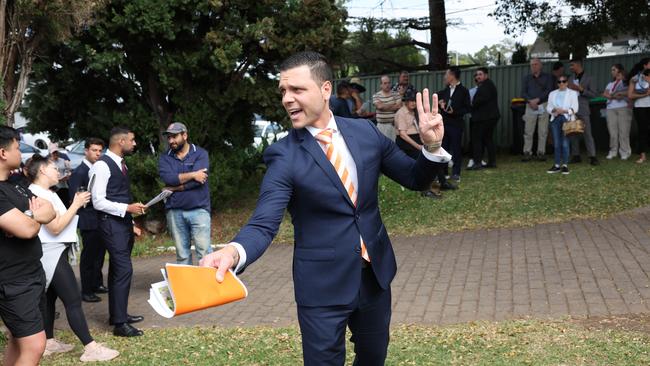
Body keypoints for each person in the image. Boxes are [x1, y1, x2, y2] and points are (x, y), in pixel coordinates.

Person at [199, 51, 450, 365]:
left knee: (374, 358)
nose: (287, 99)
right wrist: (233, 251)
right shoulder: (284, 156)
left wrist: (431, 146)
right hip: (321, 288)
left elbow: (415, 179)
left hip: (374, 277)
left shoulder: (365, 133)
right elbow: (264, 223)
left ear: (326, 89)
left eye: (297, 90)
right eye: (283, 92)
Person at [26, 155, 119, 362]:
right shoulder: (36, 194)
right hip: (50, 251)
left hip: (53, 250)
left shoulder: (46, 192)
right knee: (73, 299)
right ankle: (90, 347)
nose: (57, 171)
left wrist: (75, 205)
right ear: (41, 170)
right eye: (52, 167)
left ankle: (48, 342)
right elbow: (56, 227)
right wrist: (75, 205)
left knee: (50, 298)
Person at [0, 126, 56, 366]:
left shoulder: (16, 183)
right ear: (3, 153)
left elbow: (49, 209)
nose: (20, 153)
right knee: (35, 344)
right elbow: (27, 229)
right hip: (12, 281)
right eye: (16, 148)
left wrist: (29, 217)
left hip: (31, 274)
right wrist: (32, 218)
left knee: (19, 340)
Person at [89, 127, 147, 337]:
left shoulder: (121, 164)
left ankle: (118, 315)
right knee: (124, 270)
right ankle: (120, 325)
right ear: (121, 141)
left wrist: (130, 220)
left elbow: (119, 195)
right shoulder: (102, 166)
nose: (134, 144)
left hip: (122, 224)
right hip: (110, 225)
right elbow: (97, 201)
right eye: (132, 140)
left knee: (117, 270)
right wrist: (127, 209)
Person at [158, 122, 212, 265]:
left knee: (205, 253)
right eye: (169, 138)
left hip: (199, 209)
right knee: (182, 255)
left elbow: (199, 181)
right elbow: (168, 178)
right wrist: (193, 174)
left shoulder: (201, 154)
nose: (171, 141)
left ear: (185, 135)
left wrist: (174, 188)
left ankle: (208, 286)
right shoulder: (165, 158)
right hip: (175, 212)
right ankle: (187, 287)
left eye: (174, 137)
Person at [68, 138, 108, 303]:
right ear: (86, 151)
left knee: (99, 254)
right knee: (88, 257)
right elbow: (73, 199)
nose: (97, 154)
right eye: (94, 150)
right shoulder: (79, 172)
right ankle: (86, 290)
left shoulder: (98, 169)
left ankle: (97, 283)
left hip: (100, 218)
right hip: (87, 219)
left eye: (100, 151)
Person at [394, 89, 442, 200]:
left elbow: (420, 129)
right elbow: (403, 134)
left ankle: (441, 183)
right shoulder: (401, 113)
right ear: (405, 101)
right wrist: (418, 147)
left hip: (417, 139)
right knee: (424, 162)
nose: (413, 103)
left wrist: (424, 142)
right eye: (411, 100)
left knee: (435, 156)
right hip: (406, 142)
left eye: (414, 100)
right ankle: (426, 190)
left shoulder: (414, 112)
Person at [437, 66, 471, 183]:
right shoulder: (444, 91)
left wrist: (454, 112)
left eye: (446, 74)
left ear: (452, 75)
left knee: (456, 149)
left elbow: (467, 108)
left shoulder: (464, 91)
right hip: (444, 124)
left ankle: (456, 173)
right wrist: (439, 103)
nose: (444, 77)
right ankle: (444, 172)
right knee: (444, 148)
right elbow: (437, 100)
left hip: (456, 124)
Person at [567, 58, 599, 165]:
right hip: (572, 110)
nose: (570, 68)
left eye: (572, 65)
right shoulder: (570, 78)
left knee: (587, 133)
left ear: (578, 65)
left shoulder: (589, 78)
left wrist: (581, 90)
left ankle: (592, 156)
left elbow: (594, 94)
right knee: (573, 133)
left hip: (583, 109)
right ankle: (576, 155)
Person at [521, 58, 554, 161]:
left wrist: (538, 99)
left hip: (543, 105)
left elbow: (549, 91)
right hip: (530, 105)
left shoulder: (548, 77)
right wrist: (530, 101)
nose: (533, 66)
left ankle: (541, 152)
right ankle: (527, 152)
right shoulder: (527, 78)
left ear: (540, 65)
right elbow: (523, 93)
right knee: (528, 131)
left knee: (543, 130)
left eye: (535, 64)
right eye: (531, 65)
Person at [546, 75, 579, 175]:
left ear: (567, 82)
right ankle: (556, 165)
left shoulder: (573, 93)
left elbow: (575, 108)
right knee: (556, 143)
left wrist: (564, 111)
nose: (561, 83)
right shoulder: (552, 93)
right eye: (559, 82)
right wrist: (554, 111)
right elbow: (548, 107)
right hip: (555, 118)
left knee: (565, 143)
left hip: (567, 119)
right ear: (557, 83)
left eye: (563, 81)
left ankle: (565, 165)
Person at [469, 67, 500, 170]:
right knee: (488, 139)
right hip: (489, 117)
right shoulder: (487, 85)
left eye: (480, 74)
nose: (478, 76)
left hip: (484, 118)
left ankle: (477, 162)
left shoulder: (486, 86)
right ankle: (492, 162)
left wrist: (472, 103)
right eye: (476, 75)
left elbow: (479, 101)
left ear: (486, 75)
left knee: (477, 139)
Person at [603, 64, 632, 160]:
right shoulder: (610, 84)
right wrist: (613, 96)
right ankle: (613, 151)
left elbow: (629, 92)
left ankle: (625, 151)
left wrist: (620, 94)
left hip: (623, 107)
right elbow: (605, 94)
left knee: (623, 131)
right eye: (612, 70)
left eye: (614, 70)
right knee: (612, 131)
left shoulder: (626, 83)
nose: (612, 72)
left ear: (620, 71)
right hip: (611, 108)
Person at [627, 58, 650, 164]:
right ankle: (642, 155)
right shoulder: (634, 79)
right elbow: (630, 95)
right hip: (640, 107)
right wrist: (644, 95)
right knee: (642, 130)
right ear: (645, 66)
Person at [373, 75, 402, 140]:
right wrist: (393, 105)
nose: (387, 85)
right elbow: (379, 106)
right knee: (382, 146)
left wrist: (384, 105)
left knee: (394, 145)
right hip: (381, 126)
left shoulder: (396, 94)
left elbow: (399, 106)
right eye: (385, 83)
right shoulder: (376, 95)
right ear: (381, 85)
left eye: (389, 83)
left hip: (393, 126)